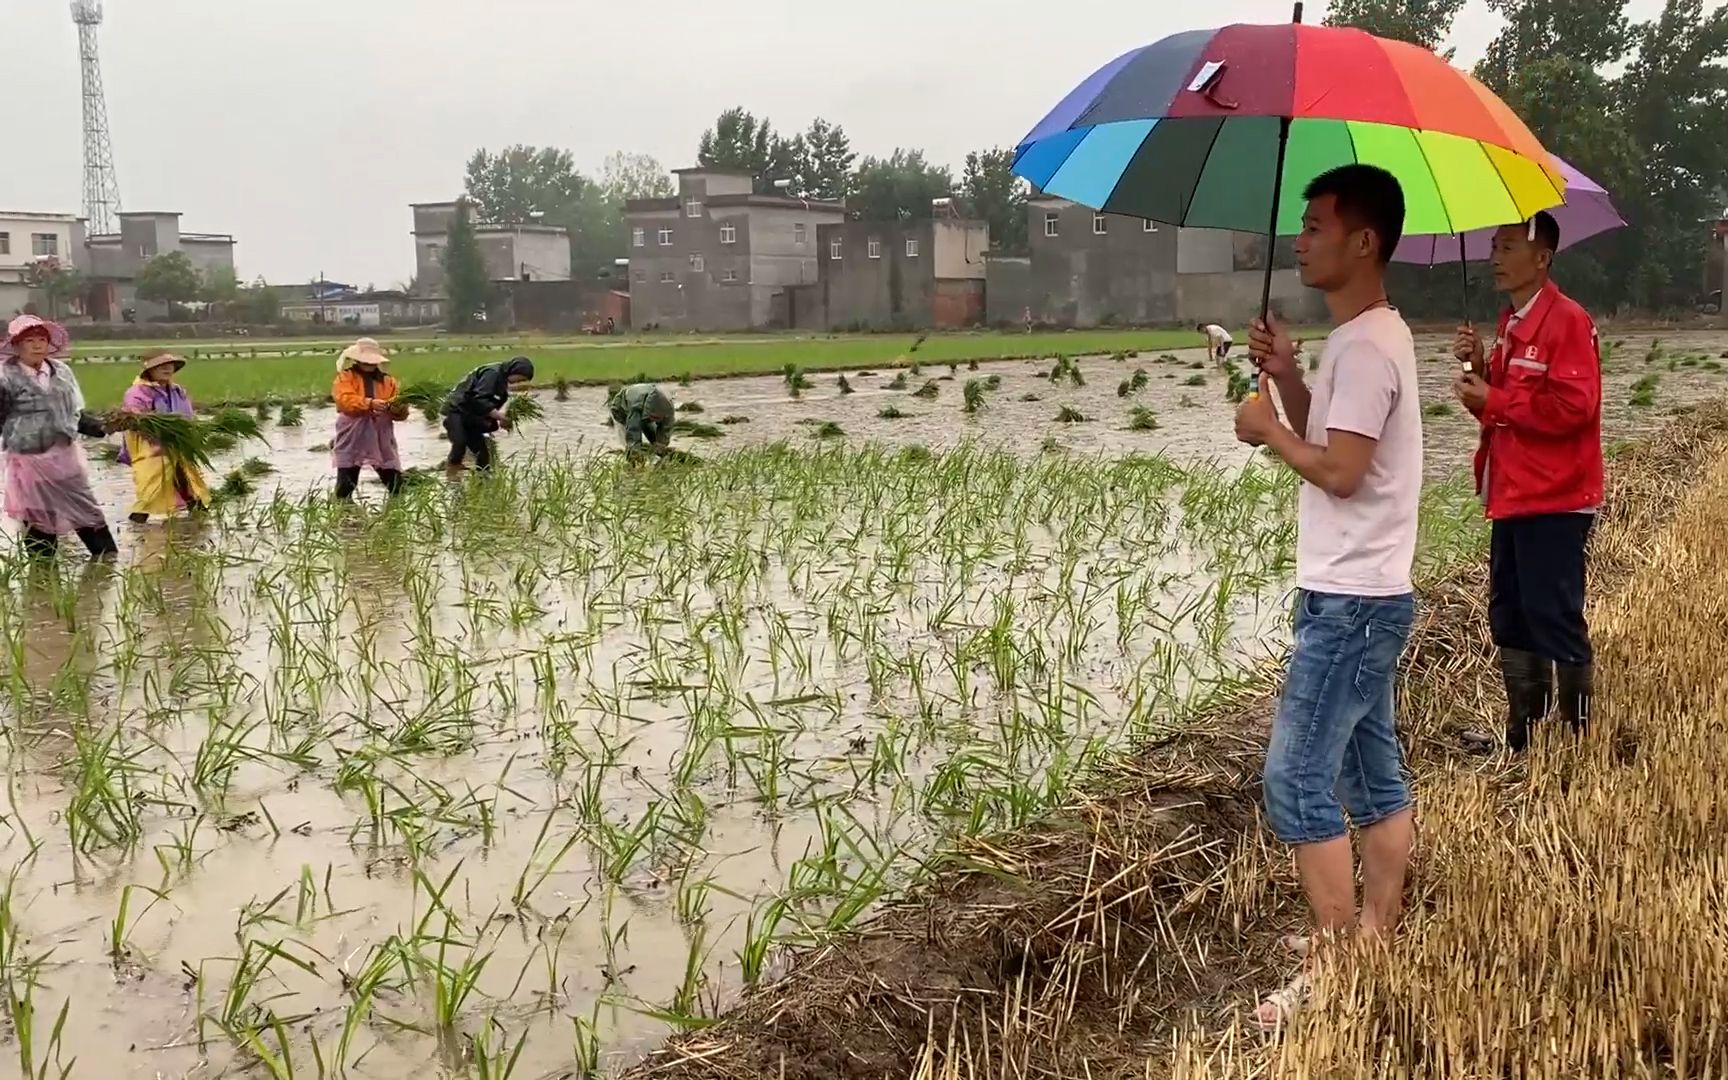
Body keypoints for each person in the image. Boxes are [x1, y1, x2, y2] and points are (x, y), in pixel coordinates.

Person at [1231, 164, 1421, 1029]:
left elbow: (1340, 472)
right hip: (1357, 593)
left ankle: (1338, 966)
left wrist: (1268, 429)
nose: (1300, 240)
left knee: (1297, 778)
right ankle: (1374, 933)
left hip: (1352, 602)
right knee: (1369, 771)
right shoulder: (1359, 339)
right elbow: (1337, 435)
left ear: (1363, 241)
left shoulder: (1373, 344)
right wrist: (1290, 378)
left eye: (1315, 226)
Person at [1453, 211, 1602, 753]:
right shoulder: (1509, 324)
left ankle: (1579, 738)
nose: (1496, 255)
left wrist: (1492, 398)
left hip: (1556, 497)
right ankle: (1525, 736)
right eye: (1494, 244)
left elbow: (1574, 409)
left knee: (1551, 612)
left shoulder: (1566, 321)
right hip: (1512, 493)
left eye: (1509, 246)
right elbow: (1507, 416)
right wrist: (1483, 375)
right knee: (1510, 611)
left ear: (1542, 258)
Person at [0, 315, 118, 558]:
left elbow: (75, 413)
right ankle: (44, 578)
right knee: (38, 516)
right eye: (29, 340)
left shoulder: (62, 371)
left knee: (86, 509)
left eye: (41, 339)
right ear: (16, 346)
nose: (36, 345)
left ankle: (106, 560)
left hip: (65, 457)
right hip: (29, 460)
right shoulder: (5, 378)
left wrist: (104, 426)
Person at [119, 350, 211, 523]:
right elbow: (136, 420)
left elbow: (187, 416)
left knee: (187, 479)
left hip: (178, 444)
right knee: (152, 485)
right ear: (149, 370)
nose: (167, 368)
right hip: (151, 446)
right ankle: (137, 522)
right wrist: (158, 431)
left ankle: (199, 514)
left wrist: (190, 432)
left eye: (170, 365)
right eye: (161, 365)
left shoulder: (177, 391)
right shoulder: (138, 392)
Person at [332, 337, 405, 499]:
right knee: (346, 484)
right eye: (365, 361)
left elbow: (400, 411)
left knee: (395, 482)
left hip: (381, 433)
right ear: (357, 360)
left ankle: (396, 514)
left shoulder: (388, 381)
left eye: (372, 362)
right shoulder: (346, 378)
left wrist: (397, 409)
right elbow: (344, 400)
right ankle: (343, 516)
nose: (369, 364)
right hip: (353, 432)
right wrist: (369, 403)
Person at [443, 355, 533, 475]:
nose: (518, 382)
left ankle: (483, 484)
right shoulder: (492, 374)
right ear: (514, 370)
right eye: (520, 379)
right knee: (460, 444)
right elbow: (479, 399)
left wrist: (501, 420)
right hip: (457, 410)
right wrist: (500, 416)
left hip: (471, 415)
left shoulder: (502, 383)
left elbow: (489, 406)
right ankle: (452, 475)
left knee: (483, 456)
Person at [608, 383, 675, 456]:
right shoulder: (637, 407)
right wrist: (635, 450)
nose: (655, 420)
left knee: (657, 442)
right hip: (621, 408)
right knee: (630, 444)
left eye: (658, 418)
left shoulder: (668, 410)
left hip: (644, 405)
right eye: (654, 417)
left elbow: (666, 429)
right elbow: (633, 429)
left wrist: (661, 446)